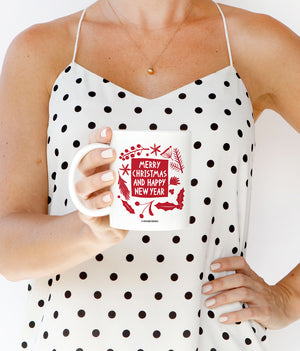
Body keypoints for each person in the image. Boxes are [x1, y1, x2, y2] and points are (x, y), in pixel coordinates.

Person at [0, 0, 299, 350]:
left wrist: (288, 298)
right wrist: (87, 231)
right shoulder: (41, 49)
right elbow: (8, 249)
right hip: (72, 337)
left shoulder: (255, 42)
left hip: (210, 338)